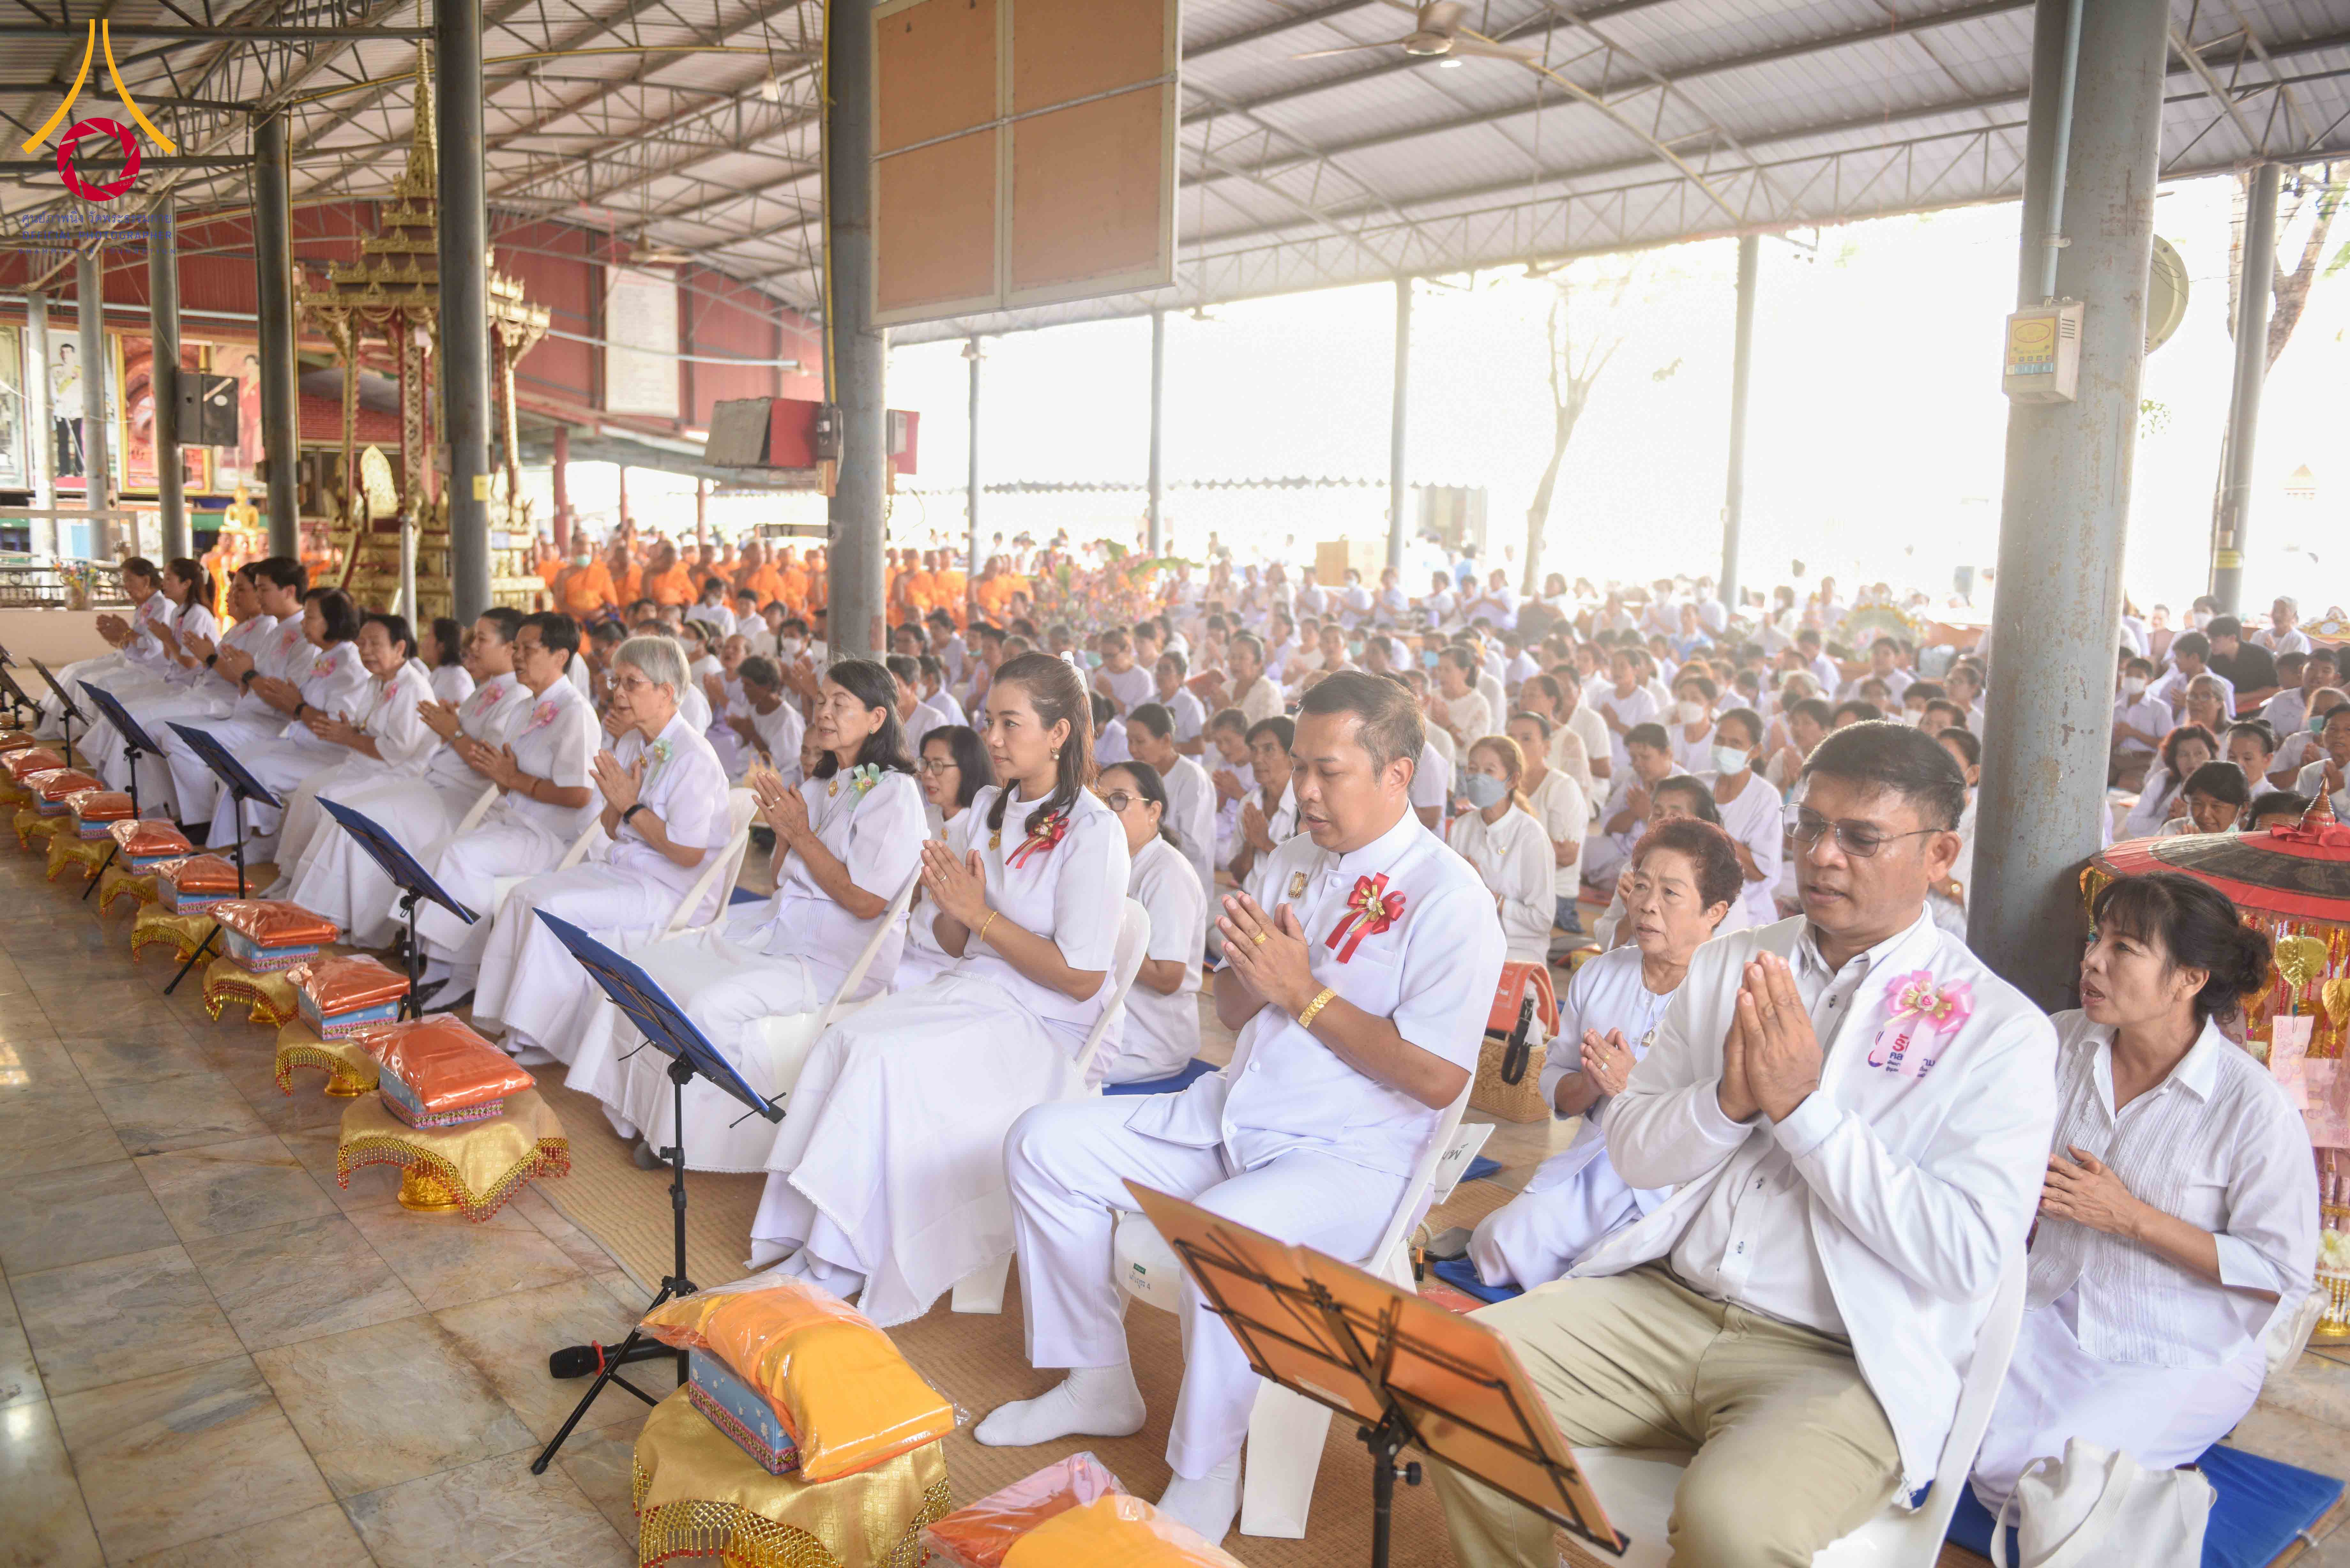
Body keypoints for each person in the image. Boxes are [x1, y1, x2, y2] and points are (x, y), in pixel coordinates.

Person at [1433, 722, 2058, 1568]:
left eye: (1861, 837)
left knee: (1733, 1522)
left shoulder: (1999, 1031)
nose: (1823, 856)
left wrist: (1802, 1111)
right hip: (1667, 1299)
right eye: (1809, 828)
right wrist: (1727, 1102)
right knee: (1453, 1384)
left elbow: (1964, 1259)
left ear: (1940, 854)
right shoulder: (1731, 964)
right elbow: (1638, 1155)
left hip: (1841, 1358)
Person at [982, 672, 1505, 1543]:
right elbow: (1226, 1011)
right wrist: (1251, 979)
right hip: (1235, 1111)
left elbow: (1437, 1078)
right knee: (1042, 1143)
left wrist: (1301, 993)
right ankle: (1097, 1379)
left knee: (1219, 1239)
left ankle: (1205, 1469)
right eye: (1298, 768)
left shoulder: (1453, 899)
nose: (1300, 792)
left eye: (1326, 772)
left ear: (1396, 774)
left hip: (1348, 1156)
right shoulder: (1293, 859)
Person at [747, 652, 1130, 1322]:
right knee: (850, 1036)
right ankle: (813, 1235)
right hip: (976, 988)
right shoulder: (986, 807)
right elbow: (959, 944)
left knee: (883, 1058)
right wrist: (953, 906)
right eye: (990, 721)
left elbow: (1082, 977)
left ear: (1059, 733)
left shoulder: (1094, 831)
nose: (995, 738)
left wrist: (979, 912)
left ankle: (844, 1258)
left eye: (1011, 724)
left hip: (1043, 1023)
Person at [1969, 873, 2315, 1512]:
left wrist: (2129, 1216)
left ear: (2189, 978)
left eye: (2123, 948)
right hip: (2042, 1309)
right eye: (2095, 938)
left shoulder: (2251, 1107)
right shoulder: (2060, 1041)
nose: (2091, 960)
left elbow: (2280, 1273)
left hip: (2177, 1342)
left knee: (2043, 1487)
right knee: (1915, 1417)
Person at [567, 660, 927, 1170]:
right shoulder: (829, 779)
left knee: (713, 1004)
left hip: (834, 956)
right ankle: (639, 1111)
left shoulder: (894, 792)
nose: (822, 712)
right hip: (780, 927)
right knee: (648, 965)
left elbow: (866, 902)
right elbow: (784, 876)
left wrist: (800, 834)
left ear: (876, 719)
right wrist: (785, 833)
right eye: (820, 700)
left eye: (838, 703)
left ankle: (696, 1142)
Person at [1468, 818, 1740, 1289]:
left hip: (1676, 1186)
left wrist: (1634, 1089)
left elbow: (1730, 1123)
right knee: (1497, 1245)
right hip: (1597, 1163)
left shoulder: (1732, 995)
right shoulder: (1601, 975)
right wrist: (1591, 1083)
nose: (1646, 905)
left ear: (1714, 911)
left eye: (1670, 894)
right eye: (1641, 885)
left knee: (1599, 1276)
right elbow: (1556, 1085)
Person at [466, 635, 734, 1059]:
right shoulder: (631, 743)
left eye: (632, 684)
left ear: (667, 693)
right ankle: (511, 1022)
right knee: (525, 896)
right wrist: (618, 802)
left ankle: (539, 1037)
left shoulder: (693, 757)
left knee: (553, 910)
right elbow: (612, 829)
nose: (618, 694)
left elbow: (688, 854)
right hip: (627, 870)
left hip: (669, 889)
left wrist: (630, 804)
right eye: (616, 682)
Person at [279, 608, 531, 946]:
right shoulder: (488, 689)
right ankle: (325, 913)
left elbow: (489, 765)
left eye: (481, 640)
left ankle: (345, 922)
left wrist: (452, 731)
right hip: (434, 784)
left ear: (510, 648)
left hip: (461, 799)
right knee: (348, 813)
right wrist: (450, 729)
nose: (471, 647)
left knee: (364, 820)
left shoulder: (516, 697)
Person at [191, 589, 374, 854]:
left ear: (332, 622)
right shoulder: (326, 656)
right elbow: (295, 701)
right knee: (237, 758)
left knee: (256, 769)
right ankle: (237, 841)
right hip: (302, 740)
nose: (302, 624)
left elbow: (333, 727)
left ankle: (260, 842)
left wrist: (297, 706)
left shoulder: (349, 666)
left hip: (329, 753)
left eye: (310, 618)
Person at [260, 610, 440, 870]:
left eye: (375, 644)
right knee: (307, 790)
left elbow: (397, 751)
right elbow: (364, 727)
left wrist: (348, 736)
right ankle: (291, 872)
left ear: (400, 647)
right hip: (363, 763)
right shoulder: (377, 681)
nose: (365, 651)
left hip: (395, 773)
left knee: (326, 798)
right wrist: (347, 730)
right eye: (362, 643)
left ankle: (311, 880)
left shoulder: (413, 688)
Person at [1095, 760, 1206, 1085]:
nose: (1106, 811)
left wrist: (1098, 936)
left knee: (1055, 1072)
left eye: (1118, 800)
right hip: (1112, 1023)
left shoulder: (1167, 873)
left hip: (1149, 1040)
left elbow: (1167, 976)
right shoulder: (1110, 863)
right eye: (1100, 800)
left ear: (1153, 811)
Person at [1449, 735, 1554, 964]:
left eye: (1489, 771)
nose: (1478, 778)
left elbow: (1542, 920)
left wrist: (1492, 898)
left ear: (1512, 780)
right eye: (1473, 769)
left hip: (1516, 951)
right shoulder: (1462, 827)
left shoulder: (1531, 836)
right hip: (1467, 941)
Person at [1504, 712, 1588, 941]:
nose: (1517, 746)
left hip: (1553, 897)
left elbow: (1567, 855)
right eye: (1511, 738)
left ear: (1547, 747)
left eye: (1527, 739)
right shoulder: (1506, 783)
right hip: (1512, 889)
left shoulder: (1562, 787)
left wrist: (1507, 844)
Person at [1127, 702, 1215, 899]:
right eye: (1129, 741)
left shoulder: (1192, 778)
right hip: (1147, 876)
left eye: (1140, 742)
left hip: (1183, 883)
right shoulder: (1139, 774)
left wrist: (1143, 830)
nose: (1132, 749)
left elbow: (1195, 847)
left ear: (1166, 741)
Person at [1706, 706, 1783, 928]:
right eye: (1720, 740)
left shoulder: (1766, 797)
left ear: (1755, 751)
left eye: (1735, 744)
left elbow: (1760, 872)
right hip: (1698, 897)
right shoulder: (1700, 784)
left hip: (1745, 906)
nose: (1724, 749)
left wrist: (1713, 831)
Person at [2120, 724, 2219, 840]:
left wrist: (2184, 821)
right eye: (2183, 754)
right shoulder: (2163, 780)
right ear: (2174, 759)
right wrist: (2167, 822)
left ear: (2211, 755)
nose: (2192, 760)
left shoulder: (2221, 787)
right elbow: (2133, 823)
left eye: (2199, 753)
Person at [2296, 703, 2350, 821]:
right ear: (2322, 733)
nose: (2339, 735)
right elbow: (2299, 815)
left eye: (2349, 730)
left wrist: (2337, 792)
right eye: (2332, 729)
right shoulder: (2308, 772)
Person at [427, 617, 476, 706]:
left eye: (429, 636)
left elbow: (459, 717)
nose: (424, 644)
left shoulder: (457, 680)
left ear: (442, 645)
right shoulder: (440, 672)